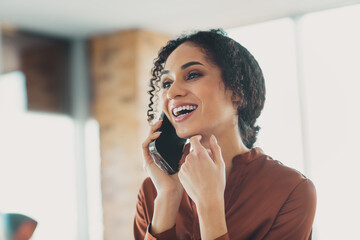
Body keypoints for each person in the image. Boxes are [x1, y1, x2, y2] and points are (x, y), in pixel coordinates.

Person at [134, 29, 316, 240]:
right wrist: (168, 197)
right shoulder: (154, 191)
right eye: (167, 83)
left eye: (192, 75)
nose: (172, 92)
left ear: (237, 91)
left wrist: (209, 205)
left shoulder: (290, 190)